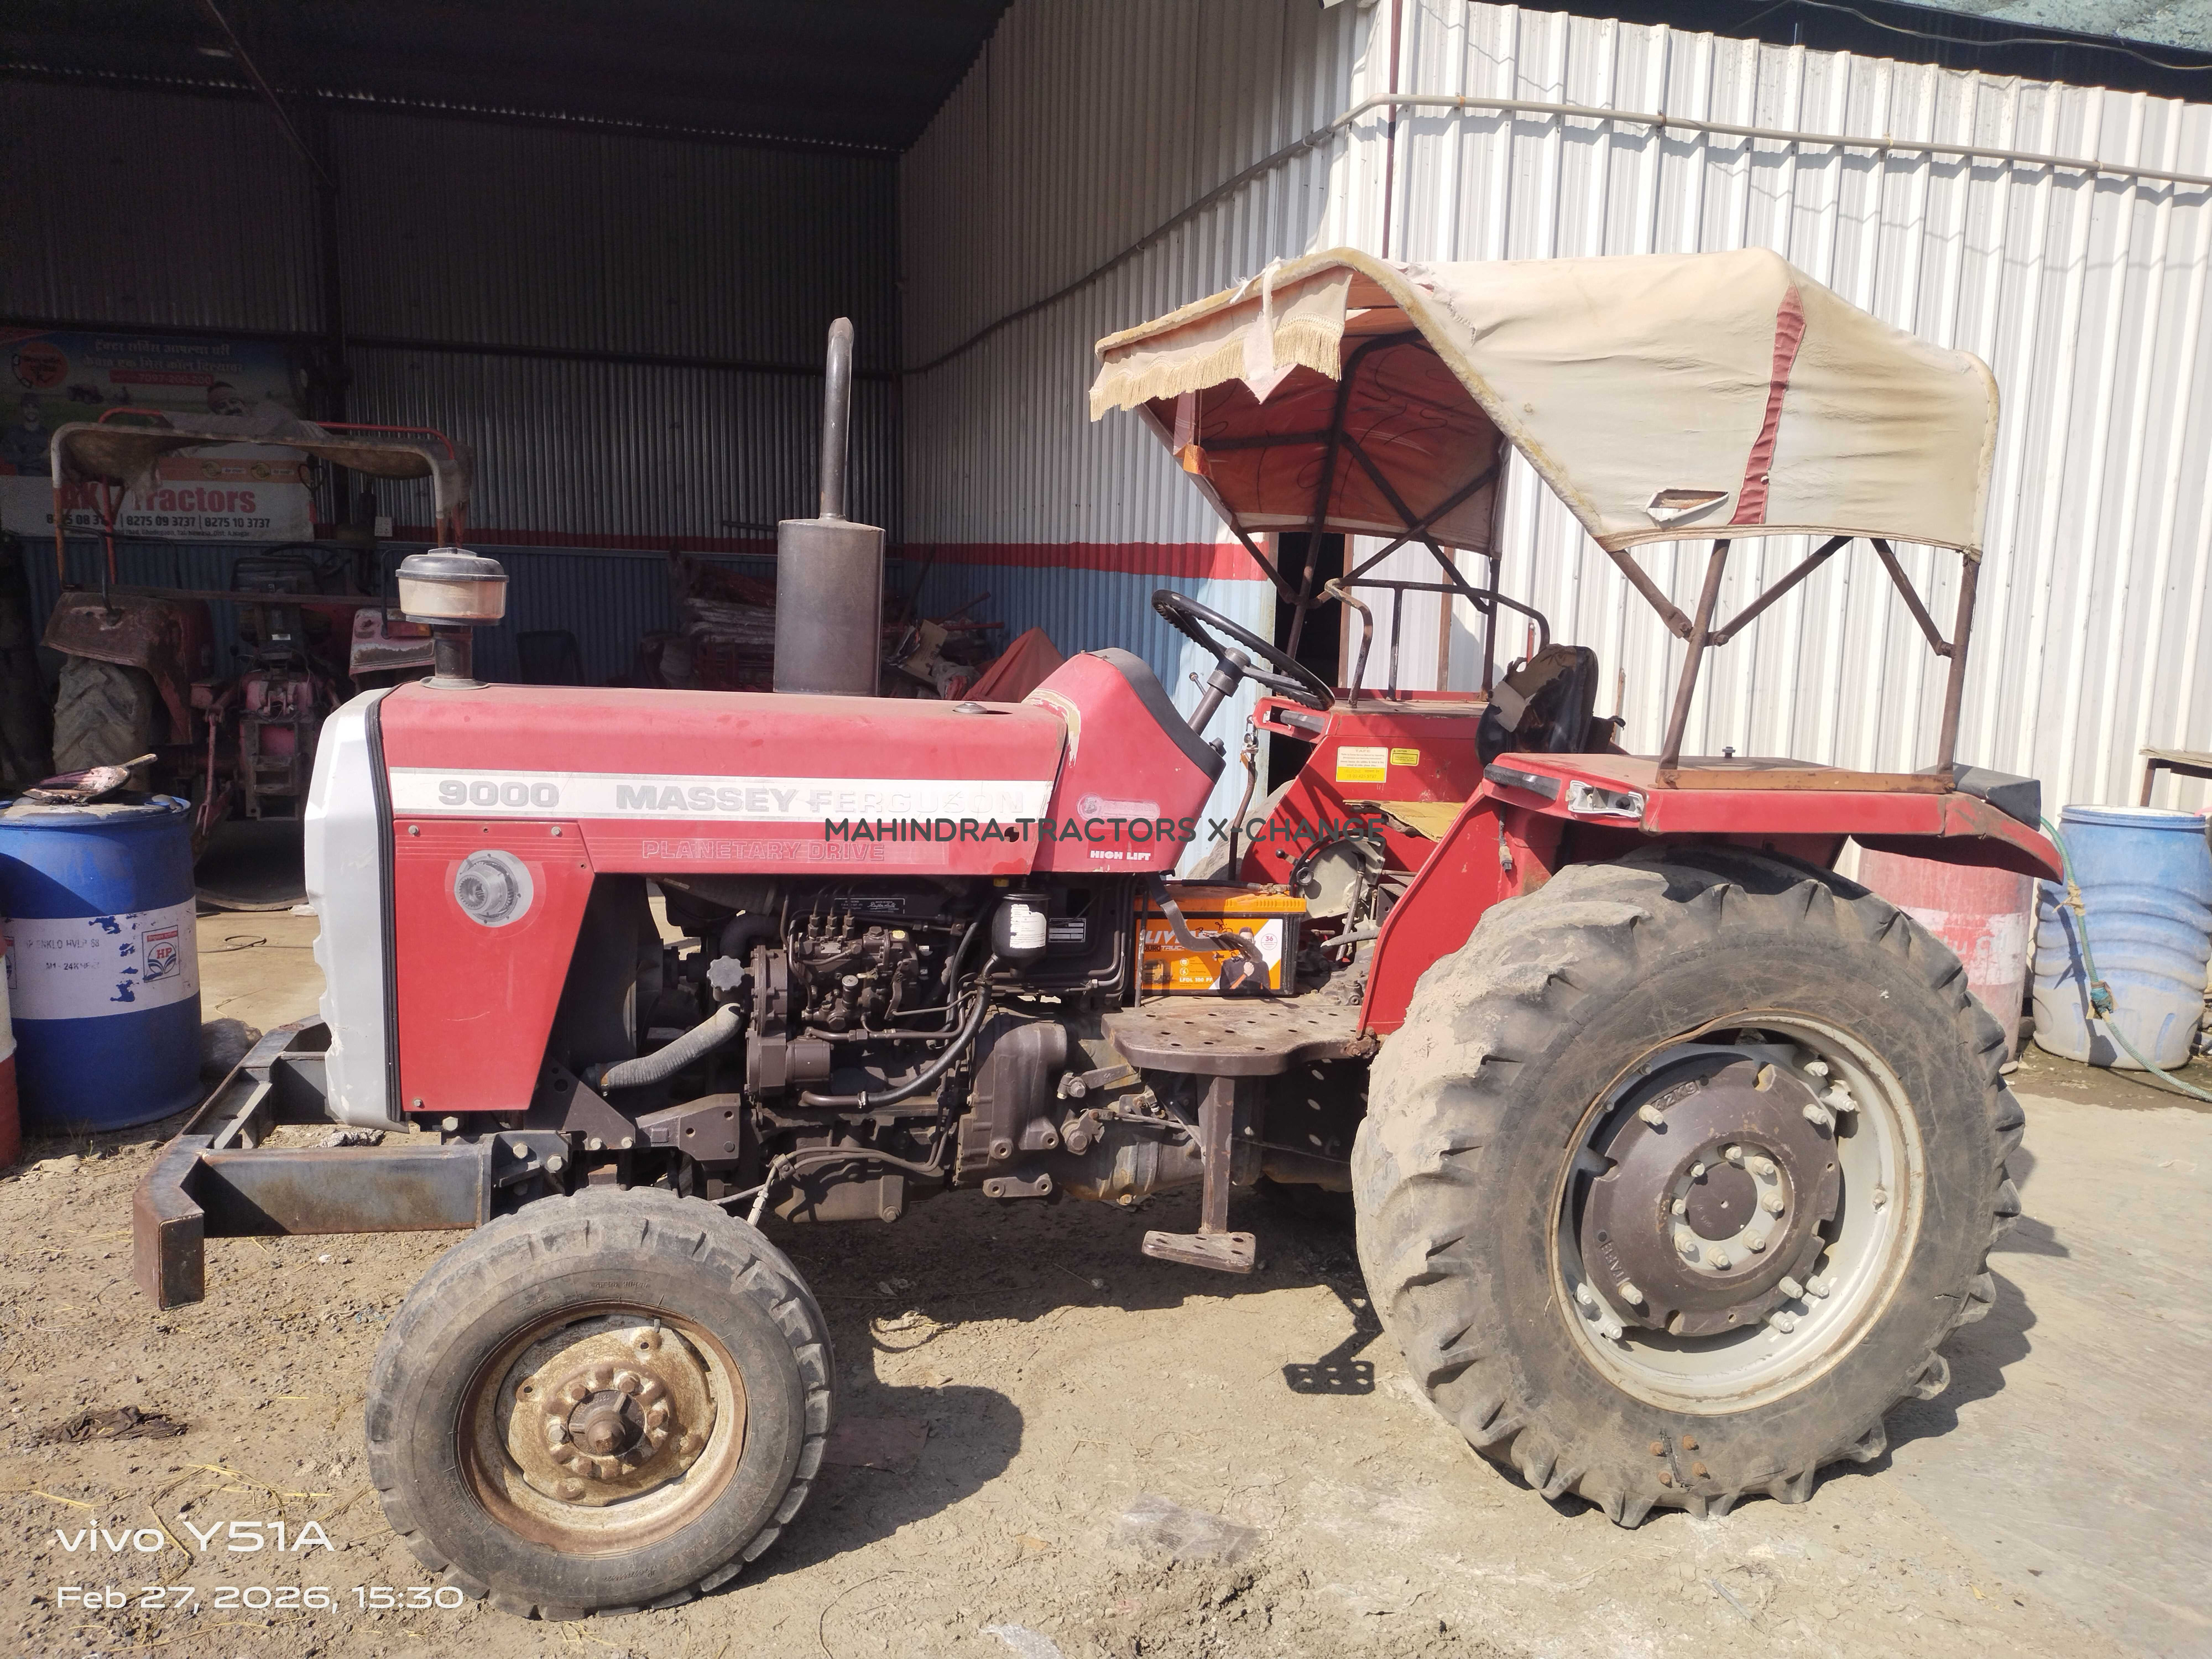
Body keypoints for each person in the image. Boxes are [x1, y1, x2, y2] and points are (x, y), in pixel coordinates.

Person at [0, 394, 46, 474]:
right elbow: (8, 457)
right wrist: (40, 457)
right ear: (22, 409)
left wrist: (23, 458)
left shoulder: (47, 435)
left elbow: (51, 460)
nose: (31, 410)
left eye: (35, 407)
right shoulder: (13, 434)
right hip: (19, 480)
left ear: (40, 410)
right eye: (27, 407)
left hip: (45, 480)